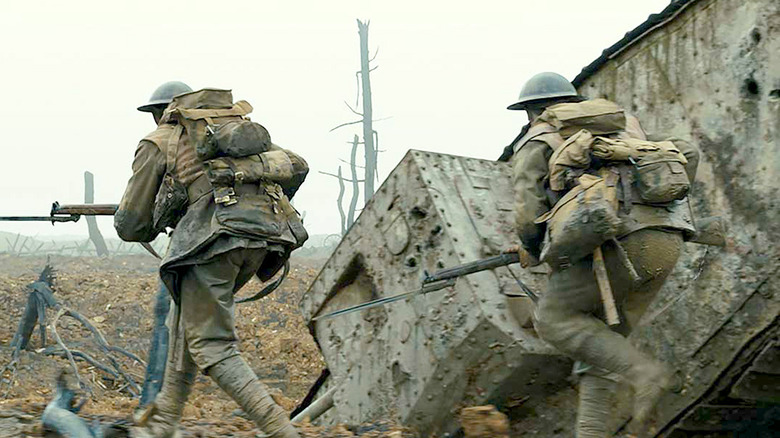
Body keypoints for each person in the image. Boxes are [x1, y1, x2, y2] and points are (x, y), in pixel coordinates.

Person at [506, 72, 699, 437]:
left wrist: (532, 249)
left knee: (553, 319)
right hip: (666, 242)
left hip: (616, 244)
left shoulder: (538, 139)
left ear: (531, 111)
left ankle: (646, 374)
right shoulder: (626, 127)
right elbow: (687, 152)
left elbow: (526, 211)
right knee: (601, 347)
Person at [116, 82, 308, 438]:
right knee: (186, 324)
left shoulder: (157, 142)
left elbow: (131, 225)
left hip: (214, 244)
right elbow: (295, 168)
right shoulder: (224, 136)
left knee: (213, 345)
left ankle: (281, 430)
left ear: (162, 112)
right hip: (262, 239)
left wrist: (162, 214)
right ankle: (162, 424)